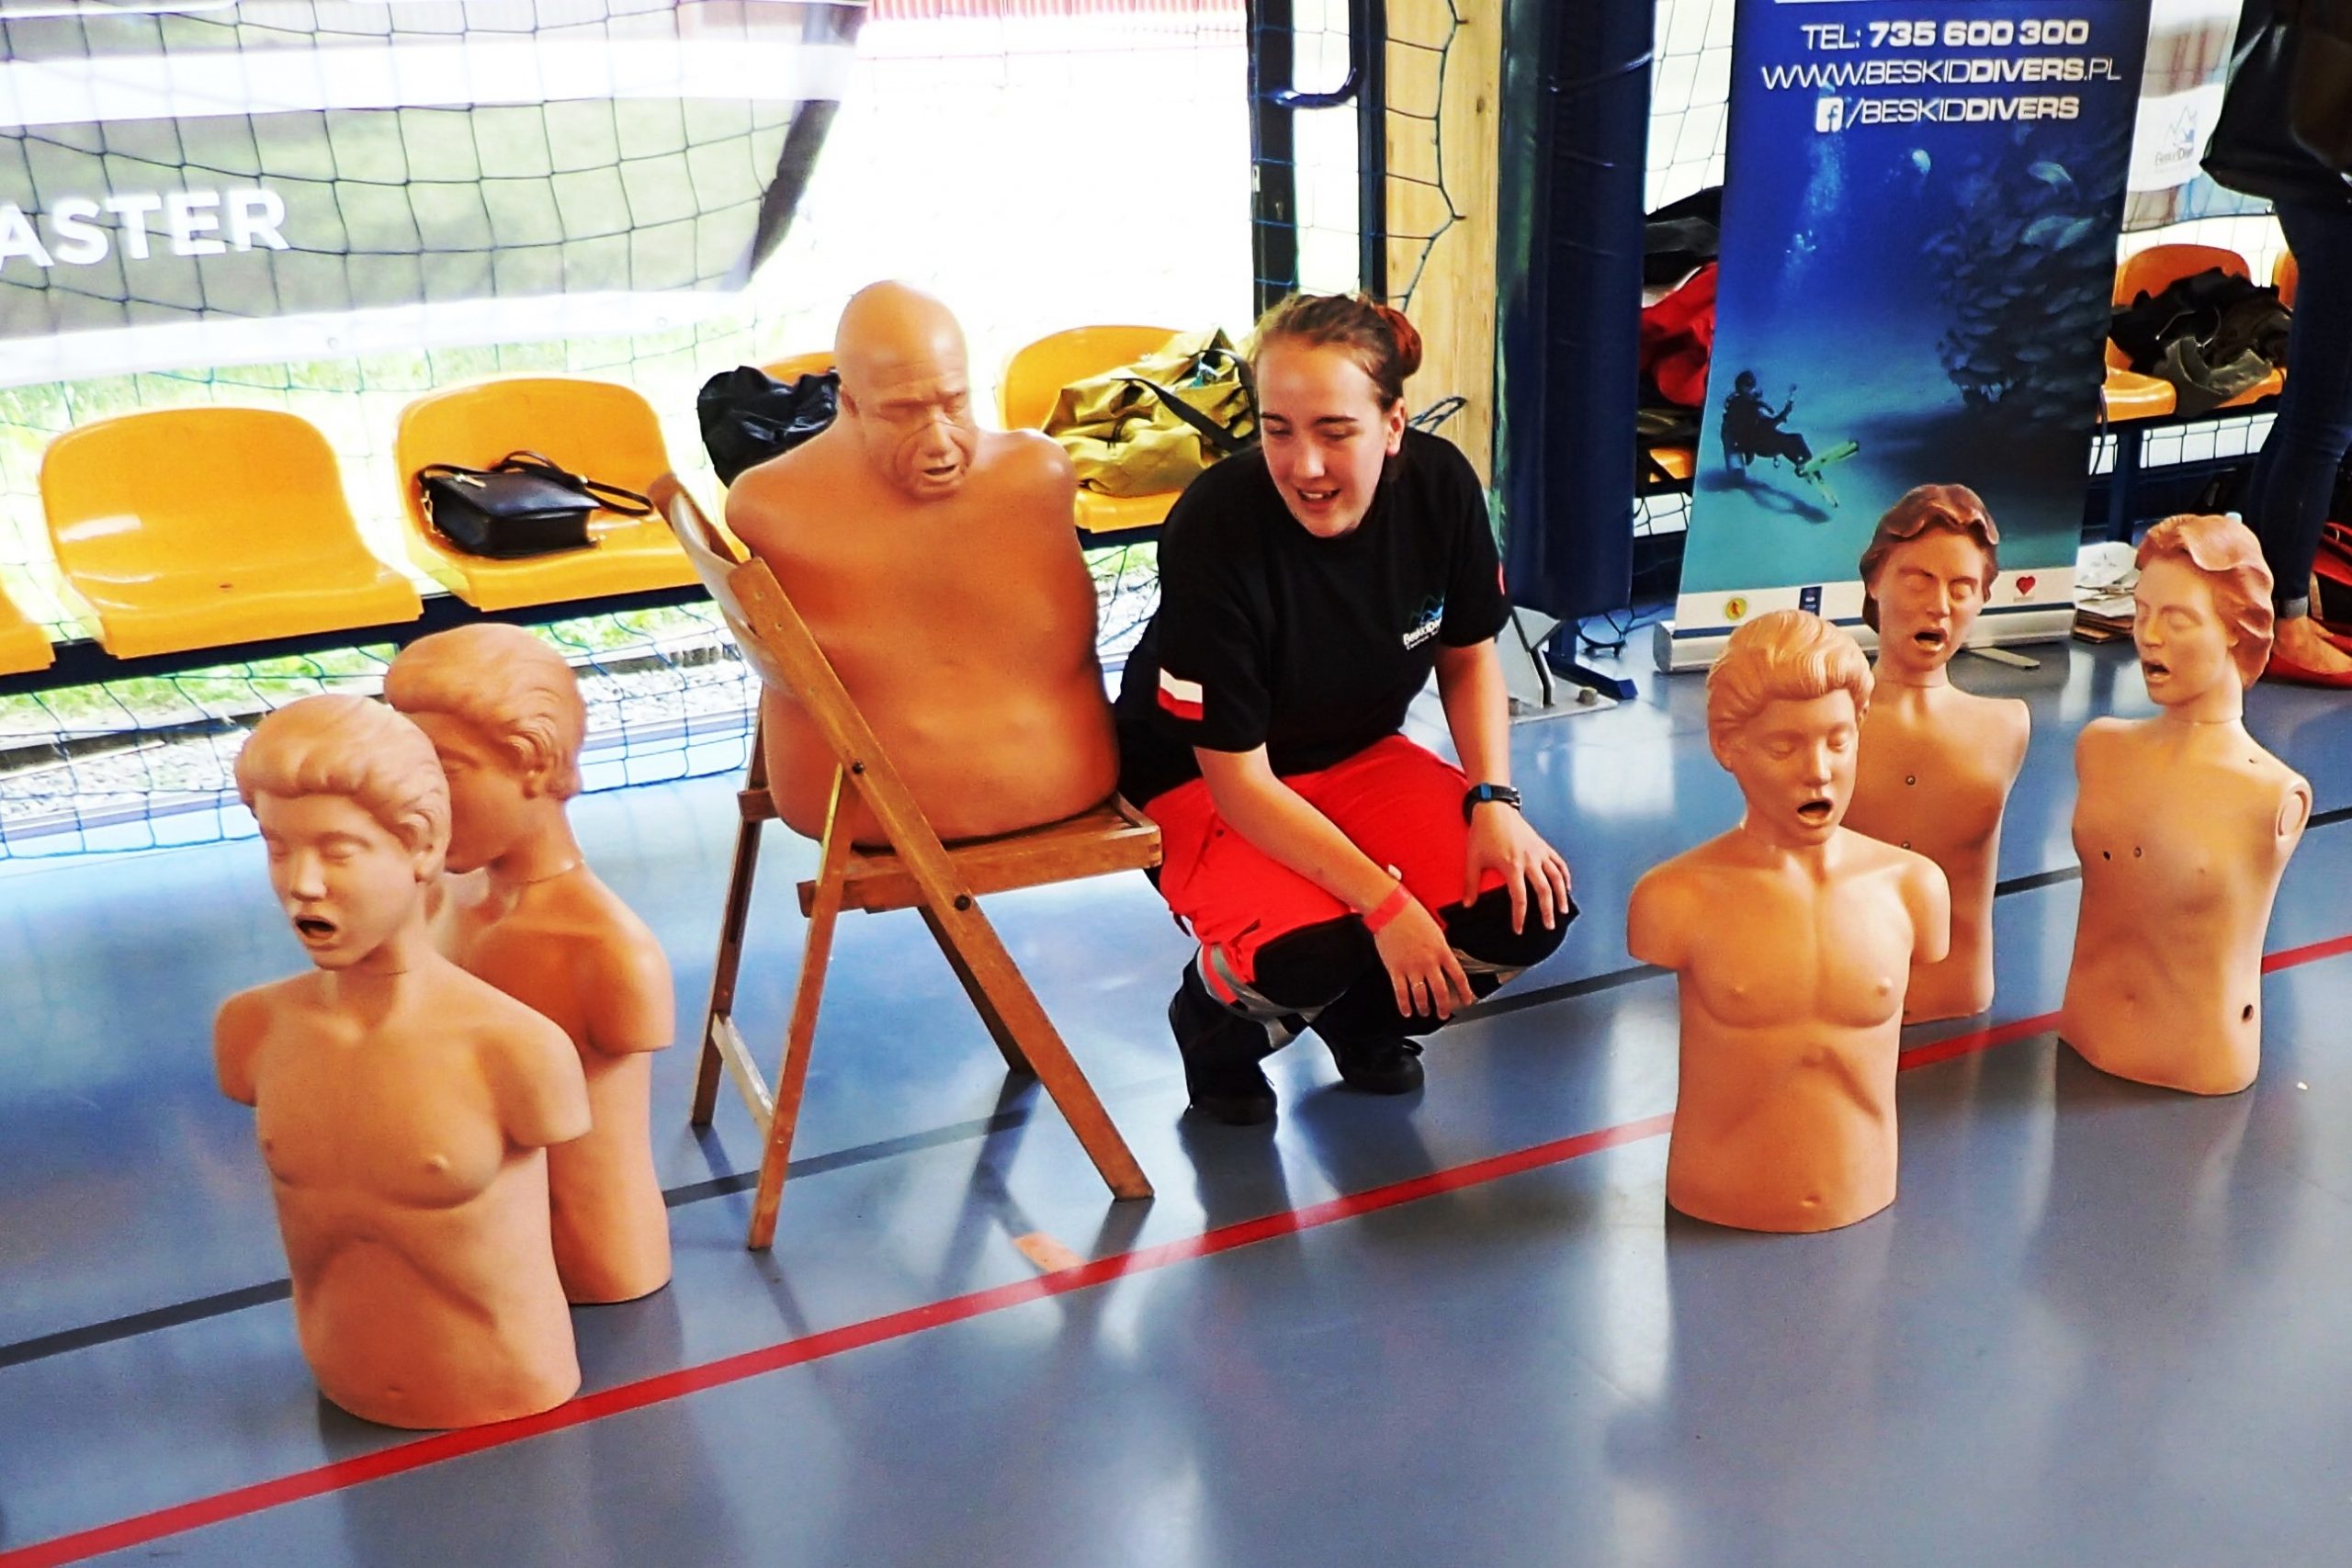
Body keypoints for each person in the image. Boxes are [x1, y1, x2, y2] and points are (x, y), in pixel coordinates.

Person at [1114, 293, 1574, 1125]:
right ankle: (1214, 1021)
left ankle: (1362, 1018)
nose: (1306, 465)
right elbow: (1241, 785)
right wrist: (1389, 908)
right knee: (1315, 949)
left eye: (1335, 431)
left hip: (1355, 753)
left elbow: (1468, 653)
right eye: (1278, 430)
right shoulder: (1215, 526)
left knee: (1524, 903)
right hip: (1200, 781)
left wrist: (1494, 800)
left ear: (1393, 425)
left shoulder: (1440, 486)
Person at [214, 694, 590, 1427]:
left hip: (508, 1393)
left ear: (420, 847)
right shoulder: (252, 1029)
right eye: (279, 848)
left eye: (338, 851)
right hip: (341, 1385)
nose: (302, 883)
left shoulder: (515, 1048)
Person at [726, 281, 1119, 846]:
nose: (938, 441)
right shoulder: (772, 507)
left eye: (953, 403)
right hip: (911, 803)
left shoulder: (1039, 476)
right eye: (903, 413)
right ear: (850, 404)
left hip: (869, 808)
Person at [1627, 611, 1949, 1232]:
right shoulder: (1674, 898)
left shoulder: (1914, 888)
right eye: (1784, 746)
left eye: (1838, 741)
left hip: (1864, 1188)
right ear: (1728, 746)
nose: (1818, 770)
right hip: (1716, 1194)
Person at [388, 624, 676, 1304]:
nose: (421, 801)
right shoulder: (442, 901)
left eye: (448, 770)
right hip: (485, 1255)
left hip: (594, 1259)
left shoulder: (610, 952)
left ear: (535, 766)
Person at [2060, 514, 2311, 1094]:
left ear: (2236, 630)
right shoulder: (2100, 748)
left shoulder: (2272, 793)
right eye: (2141, 612)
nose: (2148, 636)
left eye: (2177, 619)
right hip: (2085, 1031)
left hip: (2199, 1059)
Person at [1843, 484, 2030, 1021]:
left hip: (1958, 993)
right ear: (1875, 581)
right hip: (1842, 993)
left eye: (1962, 587)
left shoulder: (2007, 724)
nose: (1939, 606)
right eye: (1918, 580)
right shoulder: (1825, 724)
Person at [2207, 0, 2352, 684]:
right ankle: (2283, 621)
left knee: (2305, 416)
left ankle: (2258, 604)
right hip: (2335, 185)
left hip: (2307, 174)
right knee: (2324, 426)